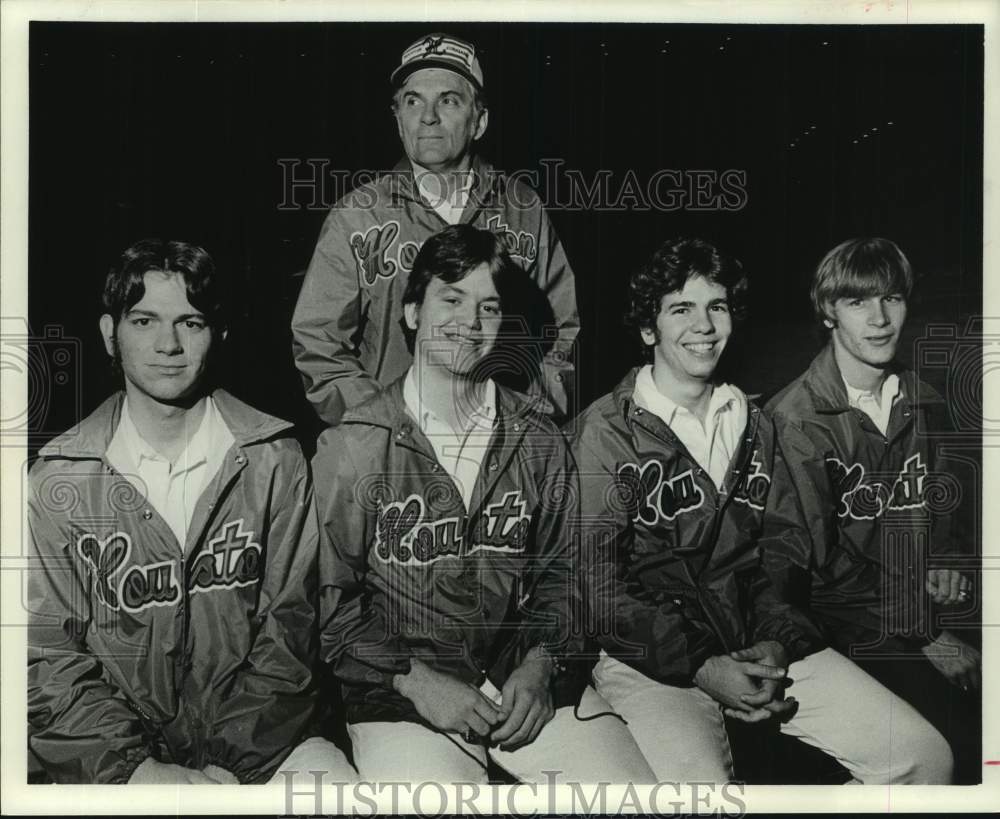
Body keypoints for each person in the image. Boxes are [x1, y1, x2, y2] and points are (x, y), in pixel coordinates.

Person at [570, 237, 953, 784]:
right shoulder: (602, 433)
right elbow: (598, 584)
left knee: (923, 758)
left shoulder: (754, 421)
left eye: (717, 307)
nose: (703, 326)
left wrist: (776, 640)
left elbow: (781, 556)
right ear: (648, 328)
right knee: (700, 793)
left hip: (759, 641)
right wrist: (704, 665)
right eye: (682, 309)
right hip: (651, 661)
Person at [314, 224, 653, 783]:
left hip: (521, 682)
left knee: (636, 798)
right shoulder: (354, 444)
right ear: (412, 312)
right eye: (451, 298)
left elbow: (567, 576)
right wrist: (411, 678)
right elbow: (329, 608)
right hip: (400, 696)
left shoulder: (539, 438)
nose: (470, 323)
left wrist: (544, 664)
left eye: (488, 307)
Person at [27, 239, 356, 784]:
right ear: (110, 334)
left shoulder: (272, 459)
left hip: (268, 745)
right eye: (144, 321)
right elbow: (46, 656)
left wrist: (229, 761)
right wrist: (136, 770)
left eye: (191, 323)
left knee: (341, 795)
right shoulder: (58, 479)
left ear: (219, 333)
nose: (168, 344)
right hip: (112, 760)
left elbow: (293, 630)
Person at [764, 237, 981, 782]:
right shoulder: (795, 421)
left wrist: (947, 556)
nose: (880, 319)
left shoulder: (918, 395)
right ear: (828, 312)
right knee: (941, 745)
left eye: (892, 298)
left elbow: (942, 494)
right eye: (859, 302)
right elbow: (813, 569)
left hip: (909, 601)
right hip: (841, 622)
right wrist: (925, 630)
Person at [292, 32, 579, 426]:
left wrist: (523, 419)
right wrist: (384, 422)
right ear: (398, 119)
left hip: (500, 442)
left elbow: (560, 331)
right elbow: (318, 342)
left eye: (448, 99)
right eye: (413, 101)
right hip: (393, 446)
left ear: (479, 121)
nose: (428, 116)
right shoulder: (357, 215)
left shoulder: (523, 209)